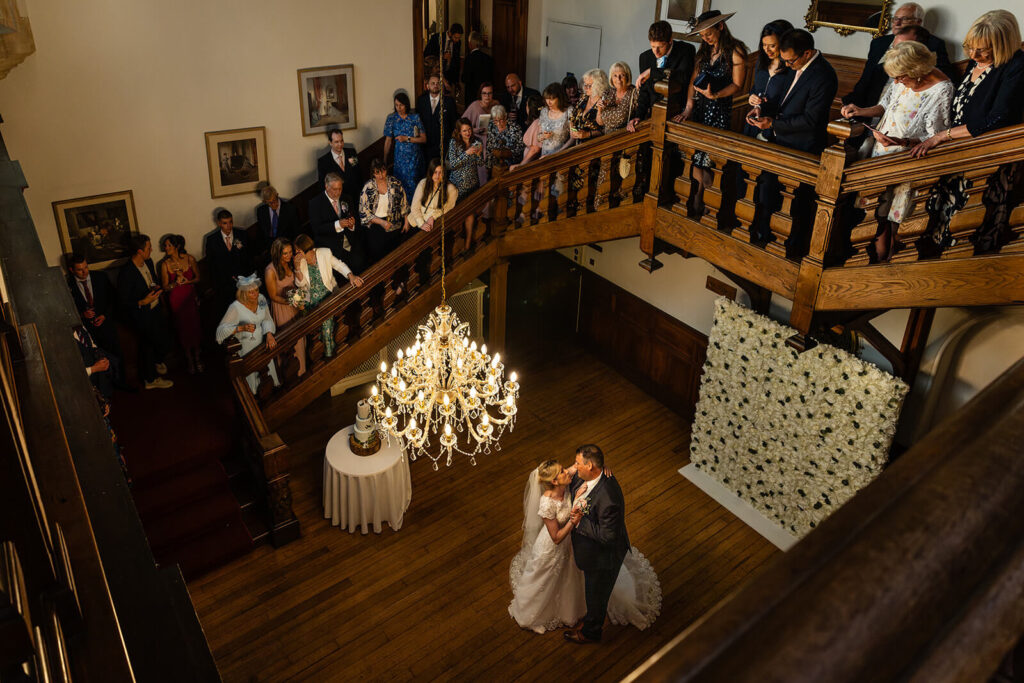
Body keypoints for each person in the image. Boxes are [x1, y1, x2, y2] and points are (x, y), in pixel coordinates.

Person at [508, 447, 661, 639]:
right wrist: (574, 519)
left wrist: (578, 520)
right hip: (559, 543)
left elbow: (608, 536)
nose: (572, 469)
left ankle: (590, 633)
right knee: (563, 580)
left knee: (596, 596)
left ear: (590, 466)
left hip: (601, 554)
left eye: (577, 464)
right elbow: (556, 536)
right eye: (568, 468)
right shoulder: (574, 480)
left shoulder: (608, 497)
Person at [911, 10, 1024, 252]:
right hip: (956, 153)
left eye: (983, 50)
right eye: (970, 47)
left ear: (1002, 44)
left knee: (968, 225)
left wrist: (942, 136)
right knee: (939, 220)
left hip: (987, 156)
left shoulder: (1016, 66)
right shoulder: (976, 60)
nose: (974, 55)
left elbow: (997, 118)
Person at [841, 41, 953, 260]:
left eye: (901, 77)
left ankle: (891, 266)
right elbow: (885, 105)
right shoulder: (900, 77)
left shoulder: (942, 89)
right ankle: (873, 264)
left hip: (907, 161)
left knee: (897, 221)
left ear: (917, 70)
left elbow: (935, 137)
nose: (897, 81)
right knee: (875, 215)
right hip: (880, 155)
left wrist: (901, 141)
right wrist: (861, 111)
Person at [746, 29, 837, 250]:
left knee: (793, 202)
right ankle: (764, 238)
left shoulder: (824, 76)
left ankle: (788, 247)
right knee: (768, 192)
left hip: (802, 147)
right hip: (779, 143)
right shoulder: (793, 66)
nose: (787, 65)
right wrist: (760, 109)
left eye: (791, 60)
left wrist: (772, 124)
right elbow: (781, 100)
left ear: (807, 53)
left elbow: (811, 120)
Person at [676, 11, 748, 217]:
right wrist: (688, 108)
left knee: (706, 160)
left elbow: (737, 84)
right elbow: (692, 80)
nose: (705, 38)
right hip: (699, 111)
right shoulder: (704, 52)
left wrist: (715, 95)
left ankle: (705, 201)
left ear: (721, 27)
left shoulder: (736, 50)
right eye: (702, 35)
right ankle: (700, 200)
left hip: (719, 112)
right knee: (695, 159)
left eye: (708, 33)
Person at [842, 2, 955, 112]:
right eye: (895, 19)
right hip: (874, 104)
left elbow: (942, 80)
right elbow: (866, 78)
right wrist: (852, 104)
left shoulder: (933, 44)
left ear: (918, 22)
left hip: (909, 107)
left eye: (904, 19)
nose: (897, 23)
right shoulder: (879, 43)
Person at [292, 234, 364, 359]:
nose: (296, 254)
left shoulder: (324, 253)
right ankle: (329, 351)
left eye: (298, 250)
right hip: (311, 301)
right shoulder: (300, 263)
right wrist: (297, 268)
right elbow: (300, 284)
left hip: (328, 296)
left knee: (325, 319)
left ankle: (329, 354)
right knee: (322, 317)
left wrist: (351, 276)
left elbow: (339, 265)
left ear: (306, 249)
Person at [116, 234, 173, 390]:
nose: (152, 250)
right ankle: (150, 380)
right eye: (149, 247)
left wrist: (157, 290)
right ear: (140, 251)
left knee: (163, 340)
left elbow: (152, 280)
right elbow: (122, 303)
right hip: (141, 315)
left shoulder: (148, 261)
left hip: (155, 310)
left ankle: (157, 360)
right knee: (147, 347)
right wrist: (142, 302)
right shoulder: (127, 273)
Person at [214, 274, 279, 395]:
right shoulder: (235, 307)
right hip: (246, 349)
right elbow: (220, 331)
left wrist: (269, 334)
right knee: (254, 382)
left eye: (256, 290)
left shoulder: (261, 299)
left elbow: (267, 319)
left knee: (267, 377)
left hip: (262, 345)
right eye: (251, 292)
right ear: (243, 293)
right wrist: (240, 328)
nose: (255, 294)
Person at [630, 20, 696, 131]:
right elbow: (644, 92)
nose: (656, 51)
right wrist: (638, 116)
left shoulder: (686, 50)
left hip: (680, 115)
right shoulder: (645, 57)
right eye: (652, 46)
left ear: (670, 40)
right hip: (654, 117)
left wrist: (652, 71)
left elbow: (682, 77)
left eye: (660, 46)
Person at [159, 234, 203, 373]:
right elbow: (165, 287)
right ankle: (189, 360)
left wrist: (187, 282)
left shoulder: (190, 259)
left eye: (168, 245)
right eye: (165, 246)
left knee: (195, 328)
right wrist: (174, 284)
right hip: (176, 300)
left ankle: (198, 358)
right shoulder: (165, 264)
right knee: (183, 331)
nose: (165, 248)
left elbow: (198, 278)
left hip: (190, 298)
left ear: (177, 246)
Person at [744, 20, 794, 139]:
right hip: (755, 123)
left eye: (772, 46)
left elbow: (791, 103)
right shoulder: (761, 62)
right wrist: (752, 99)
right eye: (764, 45)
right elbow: (756, 89)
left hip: (777, 129)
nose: (767, 50)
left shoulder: (792, 69)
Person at [264, 238, 306, 378]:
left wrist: (298, 299)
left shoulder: (291, 263)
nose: (289, 256)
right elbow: (273, 296)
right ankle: (293, 377)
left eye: (290, 252)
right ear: (277, 254)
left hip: (295, 305)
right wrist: (289, 301)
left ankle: (303, 372)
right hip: (282, 308)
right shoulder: (270, 270)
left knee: (301, 340)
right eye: (285, 254)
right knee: (291, 344)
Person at [309, 172, 365, 274]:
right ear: (326, 186)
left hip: (351, 244)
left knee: (361, 265)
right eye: (335, 189)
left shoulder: (347, 198)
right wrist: (337, 225)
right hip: (332, 250)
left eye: (340, 189)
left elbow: (354, 219)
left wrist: (352, 225)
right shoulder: (315, 204)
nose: (338, 192)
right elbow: (317, 229)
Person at [67, 254, 121, 359]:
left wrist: (105, 315)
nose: (85, 272)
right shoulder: (68, 285)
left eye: (86, 267)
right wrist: (82, 315)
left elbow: (114, 299)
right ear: (71, 270)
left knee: (117, 357)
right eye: (80, 270)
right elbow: (67, 311)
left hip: (107, 328)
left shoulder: (101, 277)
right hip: (89, 333)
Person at [359, 158, 410, 265]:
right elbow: (364, 212)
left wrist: (406, 221)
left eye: (383, 171)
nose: (381, 175)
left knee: (395, 253)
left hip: (394, 222)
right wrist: (381, 222)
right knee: (380, 256)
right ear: (373, 173)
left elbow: (403, 202)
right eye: (377, 173)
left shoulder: (395, 183)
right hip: (376, 225)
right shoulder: (367, 187)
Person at [203, 209, 251, 315]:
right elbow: (211, 265)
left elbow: (248, 258)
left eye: (230, 222)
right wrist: (215, 286)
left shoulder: (242, 234)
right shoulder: (212, 240)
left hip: (243, 283)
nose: (228, 226)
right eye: (225, 223)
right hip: (223, 286)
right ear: (219, 223)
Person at [446, 119, 484, 249]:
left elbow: (481, 165)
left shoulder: (477, 142)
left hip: (473, 184)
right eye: (464, 131)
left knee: (470, 214)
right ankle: (456, 244)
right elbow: (453, 165)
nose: (468, 133)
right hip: (457, 186)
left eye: (469, 130)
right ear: (459, 132)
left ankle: (468, 243)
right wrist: (466, 153)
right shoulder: (454, 143)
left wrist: (479, 155)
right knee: (457, 215)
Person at [383, 92, 427, 201]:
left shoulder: (414, 117)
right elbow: (388, 140)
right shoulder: (391, 118)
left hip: (414, 159)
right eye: (396, 105)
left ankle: (414, 211)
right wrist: (385, 158)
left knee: (415, 186)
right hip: (400, 159)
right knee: (399, 186)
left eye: (401, 105)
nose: (399, 108)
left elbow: (423, 139)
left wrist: (407, 138)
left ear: (406, 104)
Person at [406, 158, 458, 233]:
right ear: (430, 172)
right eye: (435, 172)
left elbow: (447, 208)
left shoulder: (451, 189)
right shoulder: (423, 183)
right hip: (416, 221)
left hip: (434, 224)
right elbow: (414, 207)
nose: (437, 176)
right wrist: (421, 223)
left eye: (440, 172)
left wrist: (433, 217)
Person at [416, 74, 459, 162]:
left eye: (438, 83)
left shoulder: (449, 102)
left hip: (443, 144)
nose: (435, 85)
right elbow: (418, 122)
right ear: (427, 86)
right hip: (426, 144)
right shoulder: (421, 101)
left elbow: (453, 123)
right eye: (433, 83)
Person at [462, 82, 498, 185]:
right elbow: (462, 125)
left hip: (493, 141)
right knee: (481, 172)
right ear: (480, 94)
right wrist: (476, 130)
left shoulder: (496, 104)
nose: (487, 96)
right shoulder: (474, 106)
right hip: (478, 141)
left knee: (493, 171)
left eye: (489, 93)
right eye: (484, 93)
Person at [596, 62, 638, 134]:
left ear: (628, 77)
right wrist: (599, 109)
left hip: (627, 137)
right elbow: (600, 122)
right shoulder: (607, 92)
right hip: (607, 138)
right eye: (615, 75)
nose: (618, 79)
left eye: (622, 75)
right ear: (611, 78)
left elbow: (641, 116)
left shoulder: (635, 93)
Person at [570, 69, 608, 145]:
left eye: (589, 86)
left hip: (593, 147)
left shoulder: (604, 102)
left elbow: (606, 130)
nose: (585, 88)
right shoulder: (584, 97)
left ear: (599, 86)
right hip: (578, 145)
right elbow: (572, 117)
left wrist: (587, 134)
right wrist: (572, 130)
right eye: (585, 85)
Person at [423, 23, 463, 96]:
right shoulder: (436, 38)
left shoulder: (458, 43)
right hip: (435, 74)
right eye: (456, 37)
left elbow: (457, 60)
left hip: (449, 76)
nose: (457, 40)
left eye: (459, 38)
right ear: (450, 33)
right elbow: (427, 55)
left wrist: (456, 81)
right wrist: (441, 57)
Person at [461, 31, 495, 111]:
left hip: (471, 96)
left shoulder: (469, 58)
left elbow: (465, 78)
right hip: (485, 95)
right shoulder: (488, 58)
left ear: (470, 44)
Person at [485, 105, 524, 171]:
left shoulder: (515, 128)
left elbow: (520, 148)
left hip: (510, 165)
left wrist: (507, 153)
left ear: (505, 116)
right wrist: (488, 166)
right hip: (495, 165)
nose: (498, 123)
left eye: (501, 120)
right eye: (495, 120)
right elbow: (489, 146)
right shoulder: (491, 125)